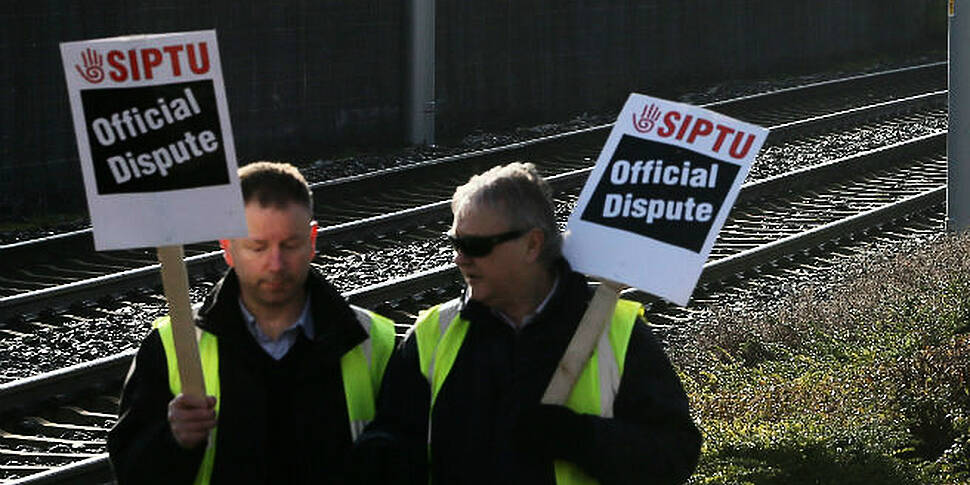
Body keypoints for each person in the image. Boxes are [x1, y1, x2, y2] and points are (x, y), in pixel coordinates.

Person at [352, 162, 701, 484]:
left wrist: (579, 438)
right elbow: (394, 436)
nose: (460, 258)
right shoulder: (433, 333)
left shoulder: (616, 334)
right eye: (456, 243)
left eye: (475, 245)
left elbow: (674, 454)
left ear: (532, 244)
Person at [108, 161, 396, 484]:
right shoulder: (172, 346)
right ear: (227, 247)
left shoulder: (374, 341)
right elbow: (130, 472)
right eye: (257, 247)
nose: (275, 264)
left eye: (290, 245)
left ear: (313, 240)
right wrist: (174, 442)